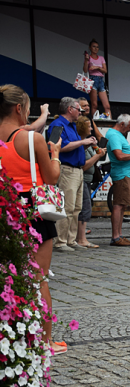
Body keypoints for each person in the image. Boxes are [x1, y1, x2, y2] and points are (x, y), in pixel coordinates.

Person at [0, 84, 65, 353]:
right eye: (26, 109)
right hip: (32, 209)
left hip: (5, 208)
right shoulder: (31, 140)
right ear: (19, 108)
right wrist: (56, 155)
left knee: (7, 277)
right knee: (39, 278)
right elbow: (51, 177)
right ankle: (45, 341)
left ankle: (12, 335)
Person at [48, 97, 95, 252]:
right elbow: (56, 146)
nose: (80, 112)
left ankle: (71, 239)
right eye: (78, 109)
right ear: (70, 109)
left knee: (76, 207)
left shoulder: (72, 125)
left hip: (77, 170)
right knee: (67, 207)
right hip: (67, 169)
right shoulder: (57, 125)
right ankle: (60, 241)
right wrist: (83, 142)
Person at [105, 114, 130, 246]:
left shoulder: (116, 135)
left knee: (122, 205)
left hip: (124, 174)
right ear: (122, 124)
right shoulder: (115, 136)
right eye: (129, 127)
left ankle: (119, 235)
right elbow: (119, 155)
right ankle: (116, 237)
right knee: (118, 206)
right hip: (121, 175)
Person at [75, 116, 105, 248]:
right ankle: (81, 239)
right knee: (84, 209)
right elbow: (84, 165)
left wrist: (97, 149)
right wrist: (98, 155)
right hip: (81, 180)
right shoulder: (80, 144)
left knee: (85, 208)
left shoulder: (86, 144)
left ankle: (79, 238)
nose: (91, 129)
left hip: (87, 180)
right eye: (89, 126)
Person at [83, 39, 110, 119]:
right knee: (94, 105)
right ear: (90, 48)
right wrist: (86, 61)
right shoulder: (89, 58)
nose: (96, 49)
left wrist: (97, 67)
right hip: (92, 80)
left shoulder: (101, 58)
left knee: (107, 106)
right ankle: (94, 123)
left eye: (97, 47)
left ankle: (109, 121)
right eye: (94, 47)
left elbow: (105, 70)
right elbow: (85, 70)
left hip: (101, 80)